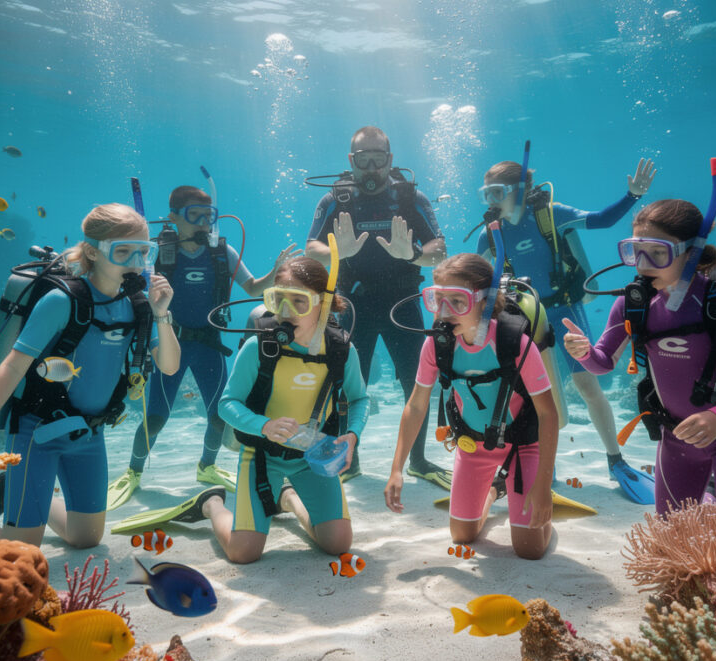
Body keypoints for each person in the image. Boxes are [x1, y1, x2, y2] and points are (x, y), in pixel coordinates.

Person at [0, 204, 180, 547]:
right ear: (93, 252)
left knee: (86, 539)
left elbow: (169, 366)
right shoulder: (61, 301)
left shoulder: (140, 306)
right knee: (19, 552)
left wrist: (162, 314)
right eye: (123, 250)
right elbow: (12, 366)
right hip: (36, 431)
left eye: (144, 251)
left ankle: (16, 490)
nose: (134, 261)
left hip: (89, 433)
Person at [562, 199, 716, 523]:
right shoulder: (631, 306)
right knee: (672, 536)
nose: (643, 264)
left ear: (691, 253)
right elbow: (603, 363)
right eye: (635, 251)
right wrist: (585, 353)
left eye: (657, 252)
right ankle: (713, 496)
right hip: (675, 439)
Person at [475, 157, 658, 504]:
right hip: (526, 312)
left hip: (564, 307)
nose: (491, 202)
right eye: (486, 194)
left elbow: (601, 220)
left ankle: (615, 459)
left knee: (586, 382)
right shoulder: (492, 232)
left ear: (520, 190)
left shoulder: (550, 214)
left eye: (497, 192)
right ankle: (543, 461)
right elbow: (474, 272)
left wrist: (632, 195)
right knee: (532, 393)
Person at [109, 185, 301, 507]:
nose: (202, 223)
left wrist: (276, 273)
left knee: (218, 417)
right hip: (169, 343)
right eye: (193, 215)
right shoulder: (155, 253)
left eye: (208, 216)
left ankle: (207, 467)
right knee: (155, 417)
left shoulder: (220, 252)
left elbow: (253, 287)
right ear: (173, 218)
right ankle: (133, 471)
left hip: (209, 344)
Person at [175, 257, 369, 563]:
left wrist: (353, 435)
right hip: (262, 456)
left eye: (299, 302)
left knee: (338, 545)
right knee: (243, 553)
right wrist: (263, 426)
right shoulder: (260, 347)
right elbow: (227, 404)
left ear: (324, 303)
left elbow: (360, 399)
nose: (286, 312)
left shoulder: (341, 351)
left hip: (312, 457)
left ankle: (288, 497)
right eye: (277, 300)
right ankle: (211, 503)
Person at [384, 253, 558, 560]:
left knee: (529, 550)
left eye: (458, 301)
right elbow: (416, 405)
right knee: (462, 536)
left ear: (485, 300)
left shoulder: (514, 343)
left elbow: (547, 413)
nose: (445, 311)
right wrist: (396, 468)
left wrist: (543, 485)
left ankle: (534, 504)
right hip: (473, 446)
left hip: (523, 446)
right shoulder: (436, 345)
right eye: (438, 300)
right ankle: (495, 490)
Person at [305, 126, 449, 487]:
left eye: (378, 159)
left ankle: (417, 461)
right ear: (351, 161)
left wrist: (414, 254)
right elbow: (311, 250)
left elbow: (441, 251)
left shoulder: (411, 198)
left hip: (403, 303)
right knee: (349, 384)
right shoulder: (334, 200)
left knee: (415, 383)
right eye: (363, 159)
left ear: (390, 160)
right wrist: (340, 252)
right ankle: (348, 461)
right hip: (353, 304)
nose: (371, 168)